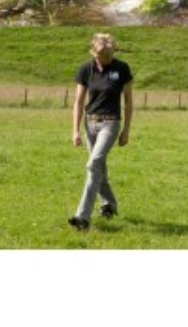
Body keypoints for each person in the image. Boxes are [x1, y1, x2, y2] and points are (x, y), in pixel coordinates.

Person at [68, 33, 133, 231]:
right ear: (95, 54)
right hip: (90, 124)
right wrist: (75, 131)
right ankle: (109, 205)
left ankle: (82, 217)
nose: (108, 58)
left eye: (111, 53)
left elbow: (129, 102)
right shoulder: (85, 69)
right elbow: (79, 102)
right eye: (104, 55)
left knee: (93, 164)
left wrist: (126, 131)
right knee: (99, 169)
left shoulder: (122, 68)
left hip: (110, 124)